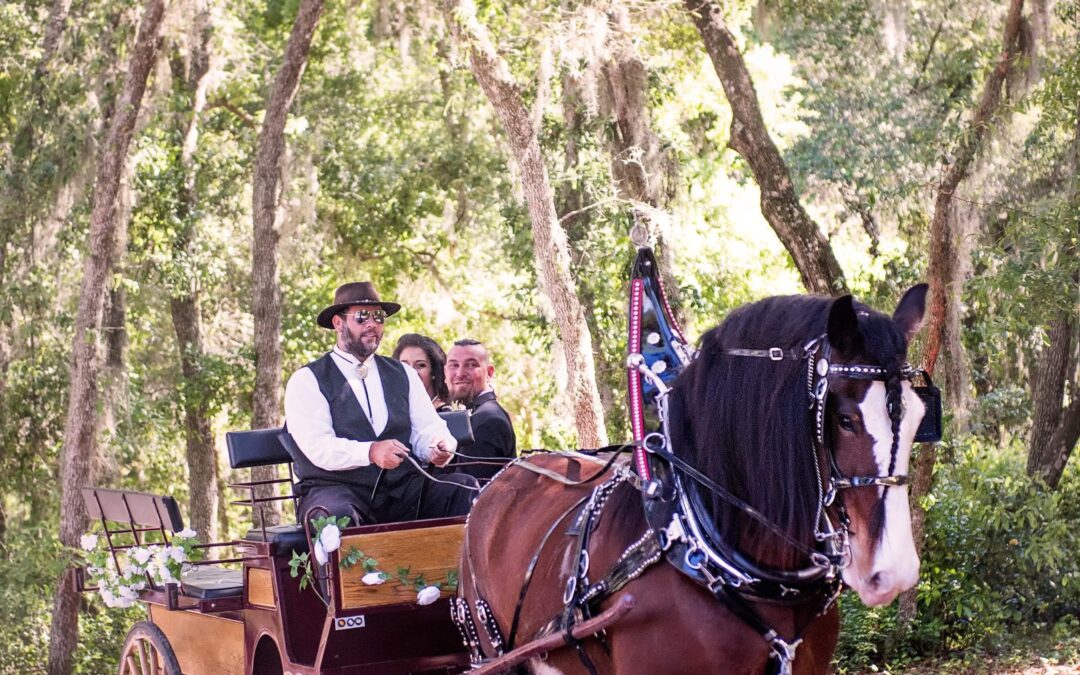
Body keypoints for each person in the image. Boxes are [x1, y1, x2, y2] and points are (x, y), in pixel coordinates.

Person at [283, 282, 477, 526]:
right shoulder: (307, 379)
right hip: (337, 490)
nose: (372, 324)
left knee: (463, 489)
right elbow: (319, 447)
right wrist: (370, 451)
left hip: (401, 491)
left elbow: (428, 427)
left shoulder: (403, 374)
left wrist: (438, 447)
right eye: (362, 317)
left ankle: (458, 554)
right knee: (336, 516)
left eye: (379, 317)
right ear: (338, 323)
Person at [445, 339, 516, 481]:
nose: (460, 373)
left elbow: (470, 488)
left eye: (471, 365)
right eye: (454, 365)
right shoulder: (479, 413)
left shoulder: (489, 421)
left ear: (489, 372)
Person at [392, 333, 450, 411]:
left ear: (434, 371)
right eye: (404, 365)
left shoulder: (447, 412)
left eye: (420, 365)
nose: (411, 371)